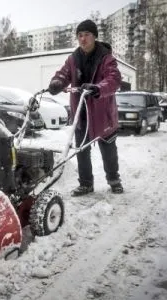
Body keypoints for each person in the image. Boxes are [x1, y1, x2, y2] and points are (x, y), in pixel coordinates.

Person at [48, 19, 124, 196]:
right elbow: (63, 74)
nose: (82, 39)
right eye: (80, 35)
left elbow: (114, 79)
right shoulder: (73, 58)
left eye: (87, 35)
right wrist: (57, 82)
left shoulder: (106, 58)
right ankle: (86, 184)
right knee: (81, 151)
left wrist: (98, 88)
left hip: (102, 114)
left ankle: (114, 180)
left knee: (108, 151)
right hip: (80, 114)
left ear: (95, 36)